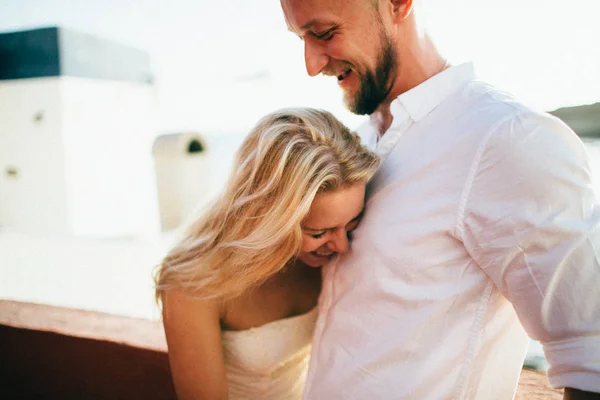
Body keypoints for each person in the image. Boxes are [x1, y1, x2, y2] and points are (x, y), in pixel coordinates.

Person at [281, 0, 600, 399]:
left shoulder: (505, 138)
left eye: (325, 33)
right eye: (300, 38)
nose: (311, 64)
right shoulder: (356, 145)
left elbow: (592, 358)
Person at [154, 107, 380, 400]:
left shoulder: (328, 257)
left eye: (350, 225)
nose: (342, 246)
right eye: (318, 233)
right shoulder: (191, 283)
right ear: (268, 218)